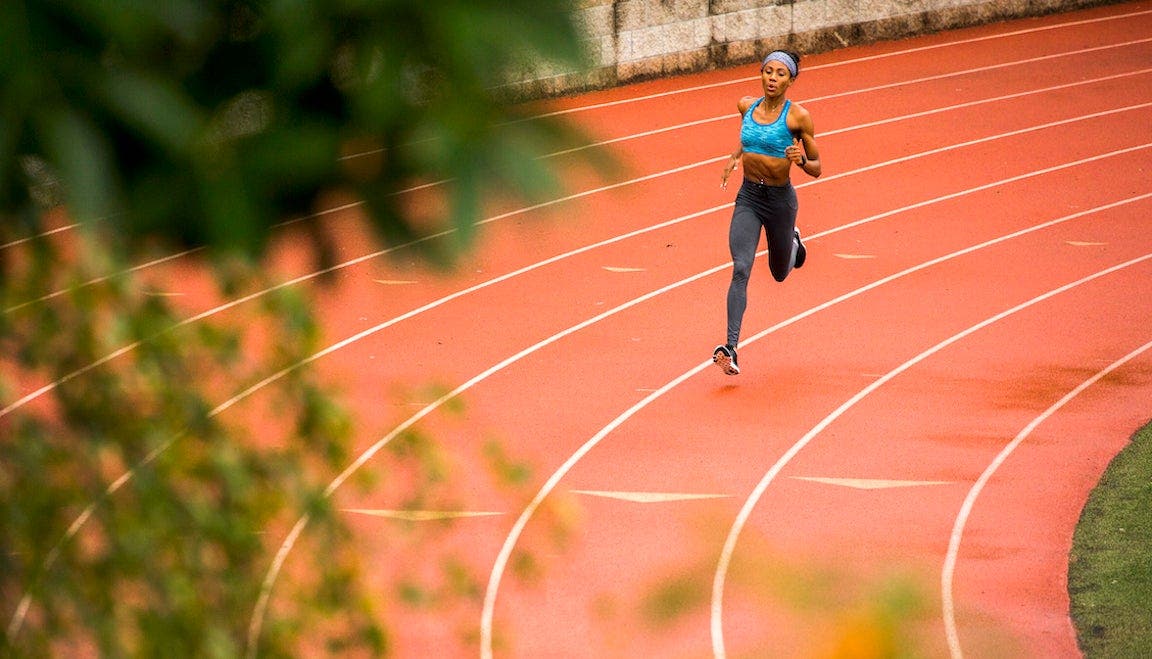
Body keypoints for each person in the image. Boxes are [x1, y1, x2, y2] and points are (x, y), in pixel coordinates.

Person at [713, 49, 822, 376]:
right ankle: (731, 348)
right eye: (768, 72)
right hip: (749, 196)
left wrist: (801, 161)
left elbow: (817, 167)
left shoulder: (798, 118)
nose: (772, 79)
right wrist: (735, 156)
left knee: (778, 272)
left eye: (780, 74)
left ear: (790, 80)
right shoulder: (746, 106)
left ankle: (793, 244)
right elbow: (749, 138)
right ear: (760, 74)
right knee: (741, 267)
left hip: (779, 201)